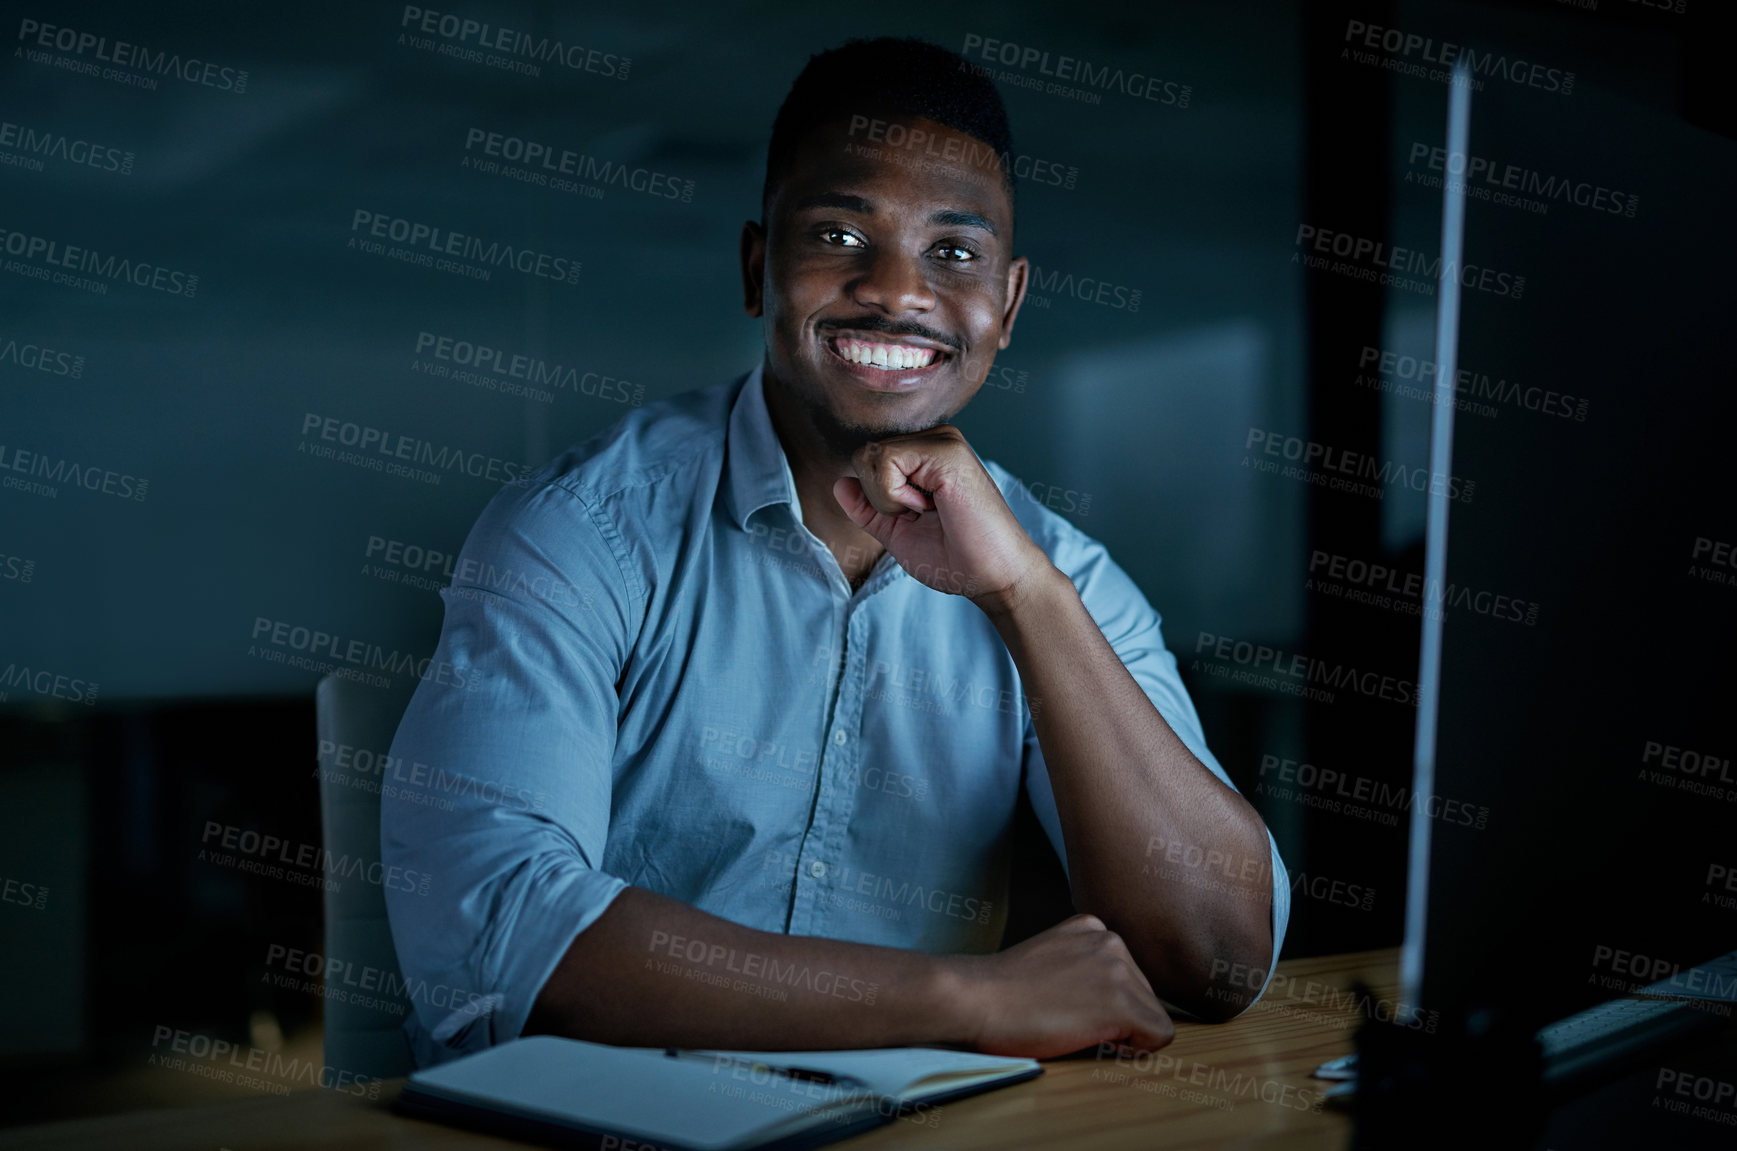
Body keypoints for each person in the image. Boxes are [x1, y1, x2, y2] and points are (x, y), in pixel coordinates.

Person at [383, 36, 1289, 1068]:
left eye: (955, 252)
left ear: (1010, 304)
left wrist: (1024, 596)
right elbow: (494, 934)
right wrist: (966, 996)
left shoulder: (1062, 573)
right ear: (757, 266)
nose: (898, 291)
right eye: (840, 234)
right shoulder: (580, 528)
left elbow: (1218, 957)